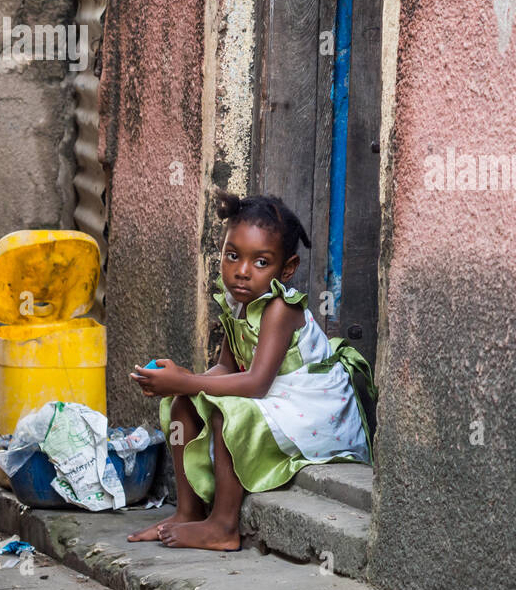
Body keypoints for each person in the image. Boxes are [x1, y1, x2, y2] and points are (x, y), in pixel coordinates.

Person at [126, 190, 374, 551]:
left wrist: (185, 379)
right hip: (277, 393)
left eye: (261, 263)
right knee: (182, 404)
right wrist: (179, 381)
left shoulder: (279, 309)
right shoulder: (238, 303)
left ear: (286, 269)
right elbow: (228, 366)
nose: (242, 272)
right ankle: (188, 512)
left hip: (313, 404)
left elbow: (256, 383)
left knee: (230, 413)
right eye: (232, 256)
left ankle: (224, 525)